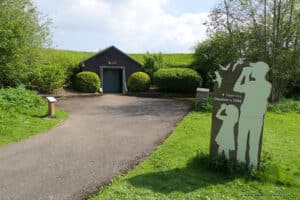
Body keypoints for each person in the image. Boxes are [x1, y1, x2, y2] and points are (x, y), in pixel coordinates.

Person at [233, 62, 271, 168]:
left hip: (246, 116)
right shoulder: (267, 85)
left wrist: (243, 74)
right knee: (254, 143)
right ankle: (252, 166)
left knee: (242, 141)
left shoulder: (252, 84)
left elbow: (236, 88)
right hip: (257, 117)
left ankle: (240, 164)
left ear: (259, 71)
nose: (252, 71)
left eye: (254, 69)